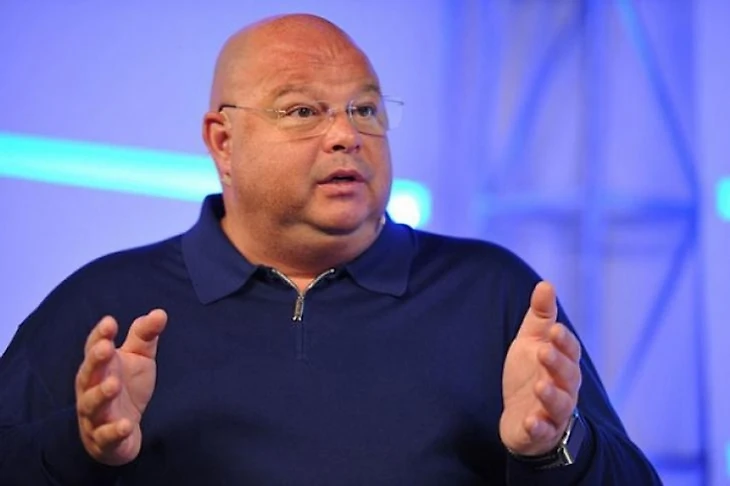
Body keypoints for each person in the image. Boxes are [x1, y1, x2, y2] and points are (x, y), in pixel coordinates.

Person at [0, 13, 661, 486]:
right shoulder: (106, 308)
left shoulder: (493, 293)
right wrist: (81, 447)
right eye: (303, 112)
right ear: (223, 142)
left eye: (365, 110)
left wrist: (555, 447)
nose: (347, 135)